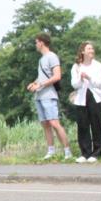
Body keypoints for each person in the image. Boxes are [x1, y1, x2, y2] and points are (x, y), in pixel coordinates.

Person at [26, 33, 73, 161]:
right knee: (45, 124)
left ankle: (67, 151)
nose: (35, 45)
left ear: (41, 43)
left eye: (36, 42)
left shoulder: (52, 56)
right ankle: (51, 151)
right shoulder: (41, 59)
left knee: (54, 123)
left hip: (49, 95)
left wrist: (40, 84)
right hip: (39, 95)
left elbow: (57, 76)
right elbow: (41, 77)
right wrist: (34, 83)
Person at [70, 42, 101, 163]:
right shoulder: (76, 66)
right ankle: (85, 152)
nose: (91, 50)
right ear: (83, 51)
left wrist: (89, 77)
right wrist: (81, 78)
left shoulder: (98, 65)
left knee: (96, 124)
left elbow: (100, 83)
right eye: (89, 48)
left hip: (94, 96)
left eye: (92, 48)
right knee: (82, 124)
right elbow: (74, 84)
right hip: (81, 97)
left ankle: (97, 152)